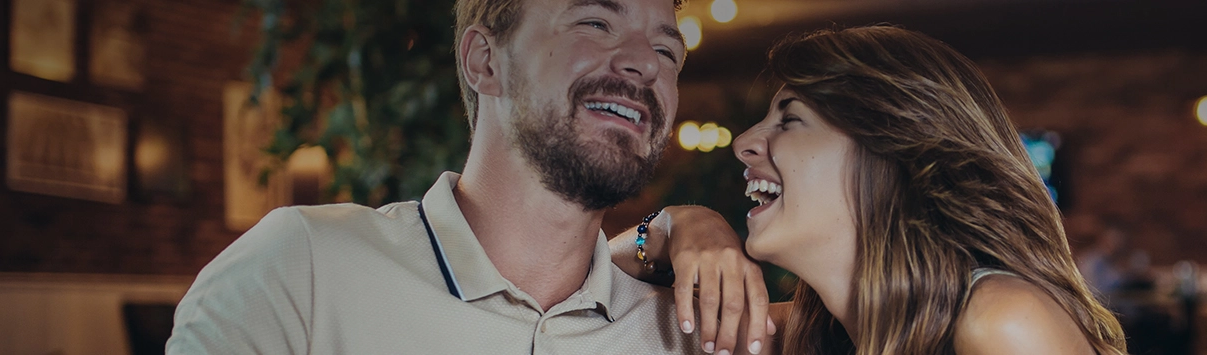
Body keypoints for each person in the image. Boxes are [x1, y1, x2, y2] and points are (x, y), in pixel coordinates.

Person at [167, 0, 770, 353]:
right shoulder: (300, 269)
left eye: (667, 51)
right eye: (594, 22)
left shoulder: (685, 332)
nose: (644, 63)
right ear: (484, 61)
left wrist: (685, 223)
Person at [637, 25, 1129, 354]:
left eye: (790, 122)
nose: (744, 142)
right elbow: (580, 307)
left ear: (888, 155)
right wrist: (678, 225)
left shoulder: (1002, 321)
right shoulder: (820, 329)